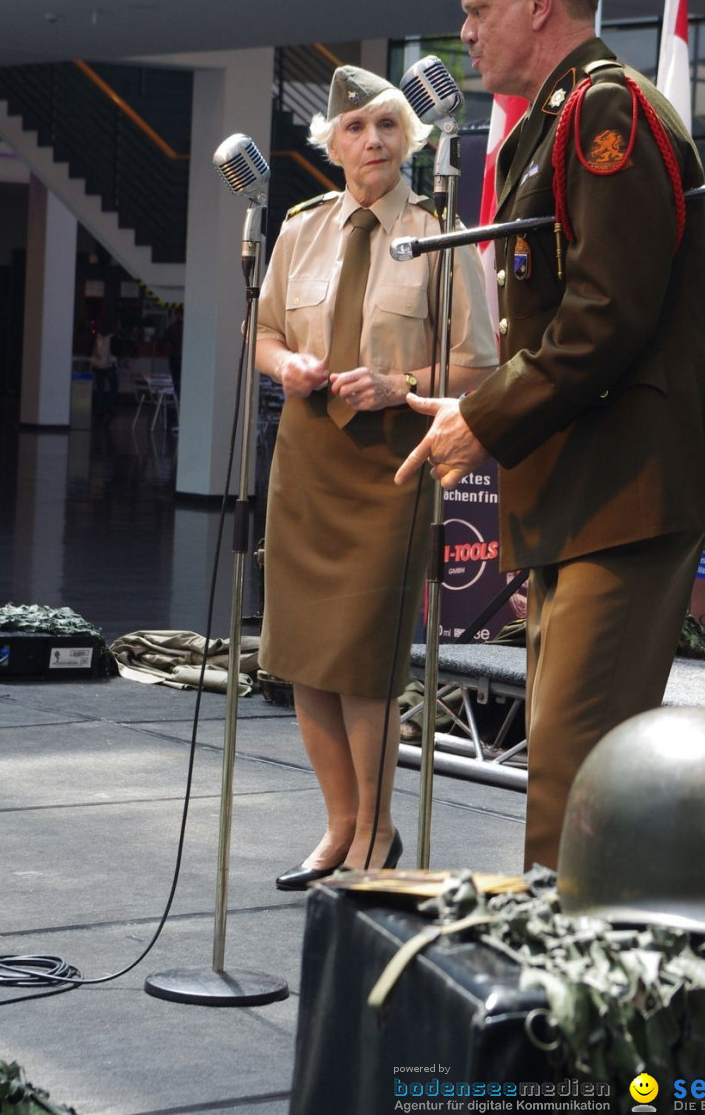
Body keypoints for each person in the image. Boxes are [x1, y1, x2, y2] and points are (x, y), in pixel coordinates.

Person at [396, 0, 705, 871]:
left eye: (478, 12)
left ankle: (571, 1002)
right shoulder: (563, 116)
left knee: (580, 777)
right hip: (588, 493)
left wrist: (483, 419)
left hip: (623, 492)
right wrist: (481, 409)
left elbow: (606, 313)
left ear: (539, 4)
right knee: (569, 767)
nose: (464, 35)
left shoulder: (606, 113)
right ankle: (562, 983)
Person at [255, 64, 497, 889]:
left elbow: (481, 368)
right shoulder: (299, 228)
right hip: (309, 454)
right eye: (356, 129)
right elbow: (264, 335)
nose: (374, 142)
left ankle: (379, 833)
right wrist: (287, 364)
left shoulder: (440, 231)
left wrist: (402, 384)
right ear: (333, 144)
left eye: (388, 126)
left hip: (392, 461)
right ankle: (338, 827)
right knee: (302, 659)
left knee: (363, 662)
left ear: (411, 138)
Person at [90, 318, 118, 420]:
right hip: (108, 366)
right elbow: (116, 351)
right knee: (114, 385)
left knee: (99, 388)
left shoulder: (97, 338)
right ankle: (108, 407)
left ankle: (98, 409)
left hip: (97, 366)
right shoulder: (112, 338)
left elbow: (91, 350)